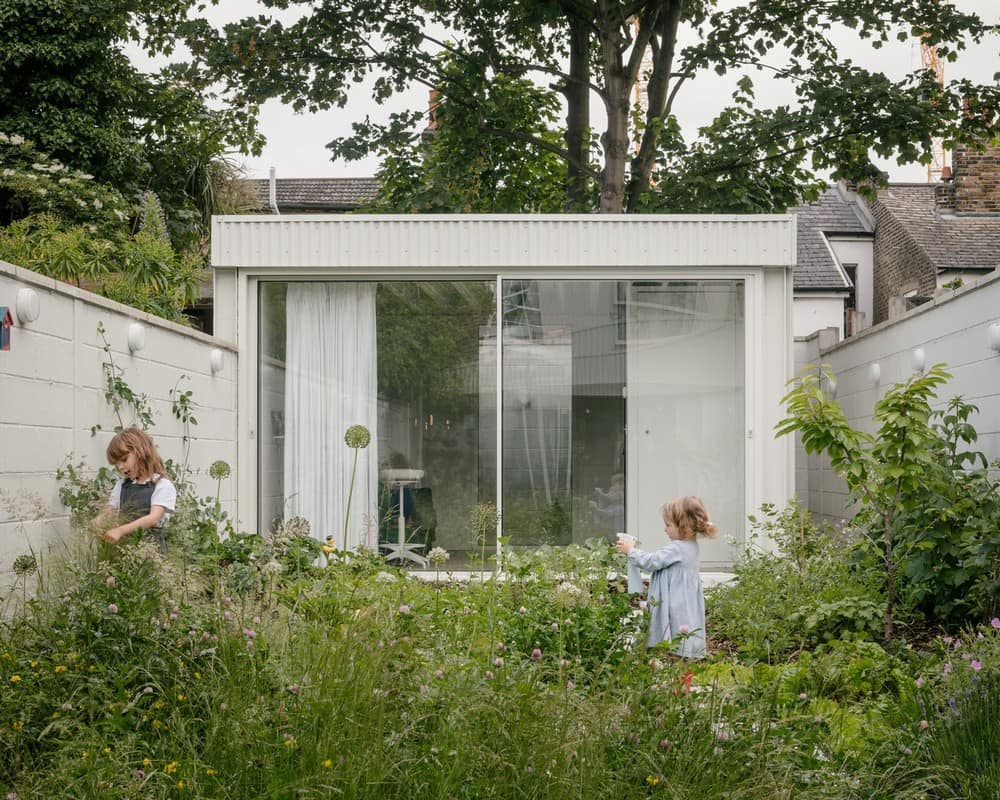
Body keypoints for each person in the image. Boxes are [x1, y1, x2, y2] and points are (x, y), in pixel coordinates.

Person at [615, 495, 717, 658]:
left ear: (683, 526)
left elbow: (652, 562)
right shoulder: (692, 546)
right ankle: (683, 680)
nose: (665, 529)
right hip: (685, 603)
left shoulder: (677, 548)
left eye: (668, 525)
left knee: (673, 639)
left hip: (674, 603)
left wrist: (631, 551)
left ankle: (674, 678)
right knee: (683, 644)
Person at [95, 428, 176, 552]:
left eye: (124, 459)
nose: (121, 467)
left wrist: (120, 531)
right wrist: (98, 521)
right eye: (116, 464)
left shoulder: (162, 485)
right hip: (124, 549)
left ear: (141, 452)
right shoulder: (122, 485)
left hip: (150, 552)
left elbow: (153, 518)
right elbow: (110, 508)